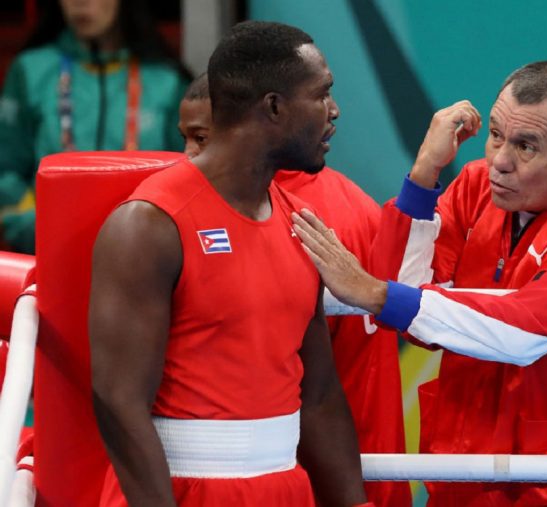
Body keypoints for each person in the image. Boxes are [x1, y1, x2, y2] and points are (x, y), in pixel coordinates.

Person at [293, 61, 547, 506]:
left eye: (525, 146)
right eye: (494, 135)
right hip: (465, 474)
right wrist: (424, 175)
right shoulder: (475, 187)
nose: (500, 161)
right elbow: (403, 310)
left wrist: (374, 293)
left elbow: (525, 331)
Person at [89, 21, 371, 507]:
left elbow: (319, 393)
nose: (334, 110)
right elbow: (118, 401)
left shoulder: (301, 224)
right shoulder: (149, 224)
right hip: (178, 490)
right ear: (274, 107)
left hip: (284, 489)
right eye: (322, 93)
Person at [176, 72, 412, 507]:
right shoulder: (351, 199)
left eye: (201, 138)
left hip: (311, 464)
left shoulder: (276, 213)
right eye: (187, 138)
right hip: (349, 458)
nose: (188, 155)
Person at [0, 0, 191, 254]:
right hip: (48, 254)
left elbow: (188, 176)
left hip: (144, 258)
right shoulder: (30, 71)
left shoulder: (165, 81)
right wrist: (34, 224)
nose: (81, 3)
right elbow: (5, 167)